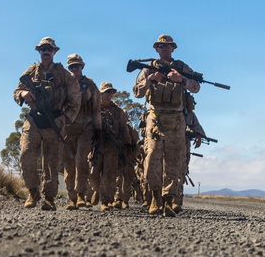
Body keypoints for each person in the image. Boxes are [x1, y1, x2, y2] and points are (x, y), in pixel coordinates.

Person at [132, 34, 200, 216]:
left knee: (174, 161)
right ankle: (155, 198)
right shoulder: (149, 68)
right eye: (161, 46)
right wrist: (150, 80)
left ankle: (169, 200)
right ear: (156, 49)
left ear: (173, 48)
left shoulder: (182, 68)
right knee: (152, 159)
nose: (164, 49)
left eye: (167, 46)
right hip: (155, 117)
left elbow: (196, 86)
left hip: (177, 119)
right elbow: (137, 93)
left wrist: (182, 80)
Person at [13, 37, 81, 210]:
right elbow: (17, 91)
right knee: (26, 154)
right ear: (39, 51)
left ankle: (49, 198)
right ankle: (33, 191)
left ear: (54, 52)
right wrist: (23, 94)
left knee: (51, 162)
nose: (46, 52)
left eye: (49, 49)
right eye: (43, 49)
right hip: (34, 120)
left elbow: (75, 98)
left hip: (55, 121)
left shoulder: (63, 74)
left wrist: (65, 118)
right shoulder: (31, 71)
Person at [62, 53, 100, 210]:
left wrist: (98, 129)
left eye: (77, 66)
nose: (74, 69)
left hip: (85, 129)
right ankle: (72, 197)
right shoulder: (63, 84)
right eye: (71, 67)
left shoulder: (90, 85)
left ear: (82, 67)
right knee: (69, 164)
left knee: (81, 160)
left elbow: (96, 108)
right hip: (67, 130)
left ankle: (80, 195)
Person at [91, 82, 136, 211]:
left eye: (111, 92)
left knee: (109, 174)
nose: (109, 95)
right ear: (101, 93)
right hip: (96, 145)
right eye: (106, 92)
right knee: (93, 173)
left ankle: (106, 201)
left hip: (112, 146)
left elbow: (123, 129)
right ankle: (97, 190)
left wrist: (127, 145)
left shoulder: (118, 111)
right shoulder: (94, 109)